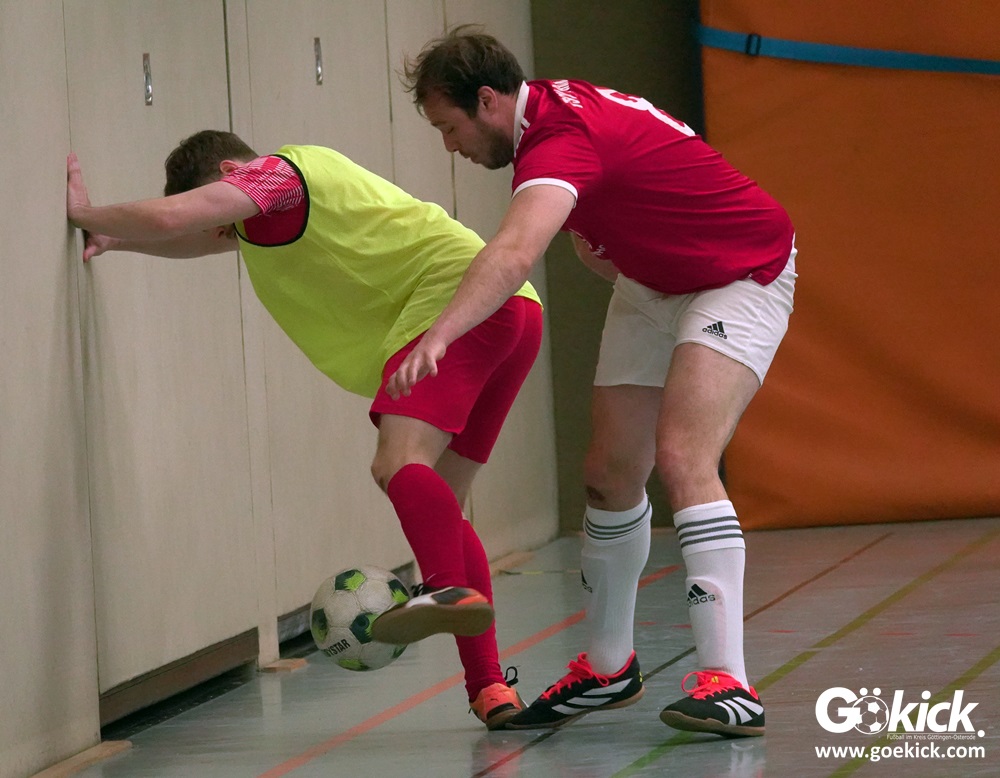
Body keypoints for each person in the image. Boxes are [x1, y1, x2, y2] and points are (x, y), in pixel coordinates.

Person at [390, 27, 797, 736]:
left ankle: (730, 682)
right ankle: (609, 667)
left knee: (683, 456)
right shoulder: (550, 114)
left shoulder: (558, 138)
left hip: (739, 274)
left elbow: (514, 252)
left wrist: (440, 334)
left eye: (448, 127)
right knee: (609, 476)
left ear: (486, 100)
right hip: (654, 282)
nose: (450, 146)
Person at [66, 130, 544, 730]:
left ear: (231, 172)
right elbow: (188, 235)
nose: (221, 232)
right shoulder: (265, 219)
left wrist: (85, 214)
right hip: (513, 309)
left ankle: (446, 588)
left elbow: (176, 217)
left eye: (219, 212)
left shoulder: (280, 175)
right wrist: (117, 239)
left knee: (396, 463)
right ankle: (490, 688)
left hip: (457, 304)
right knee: (443, 499)